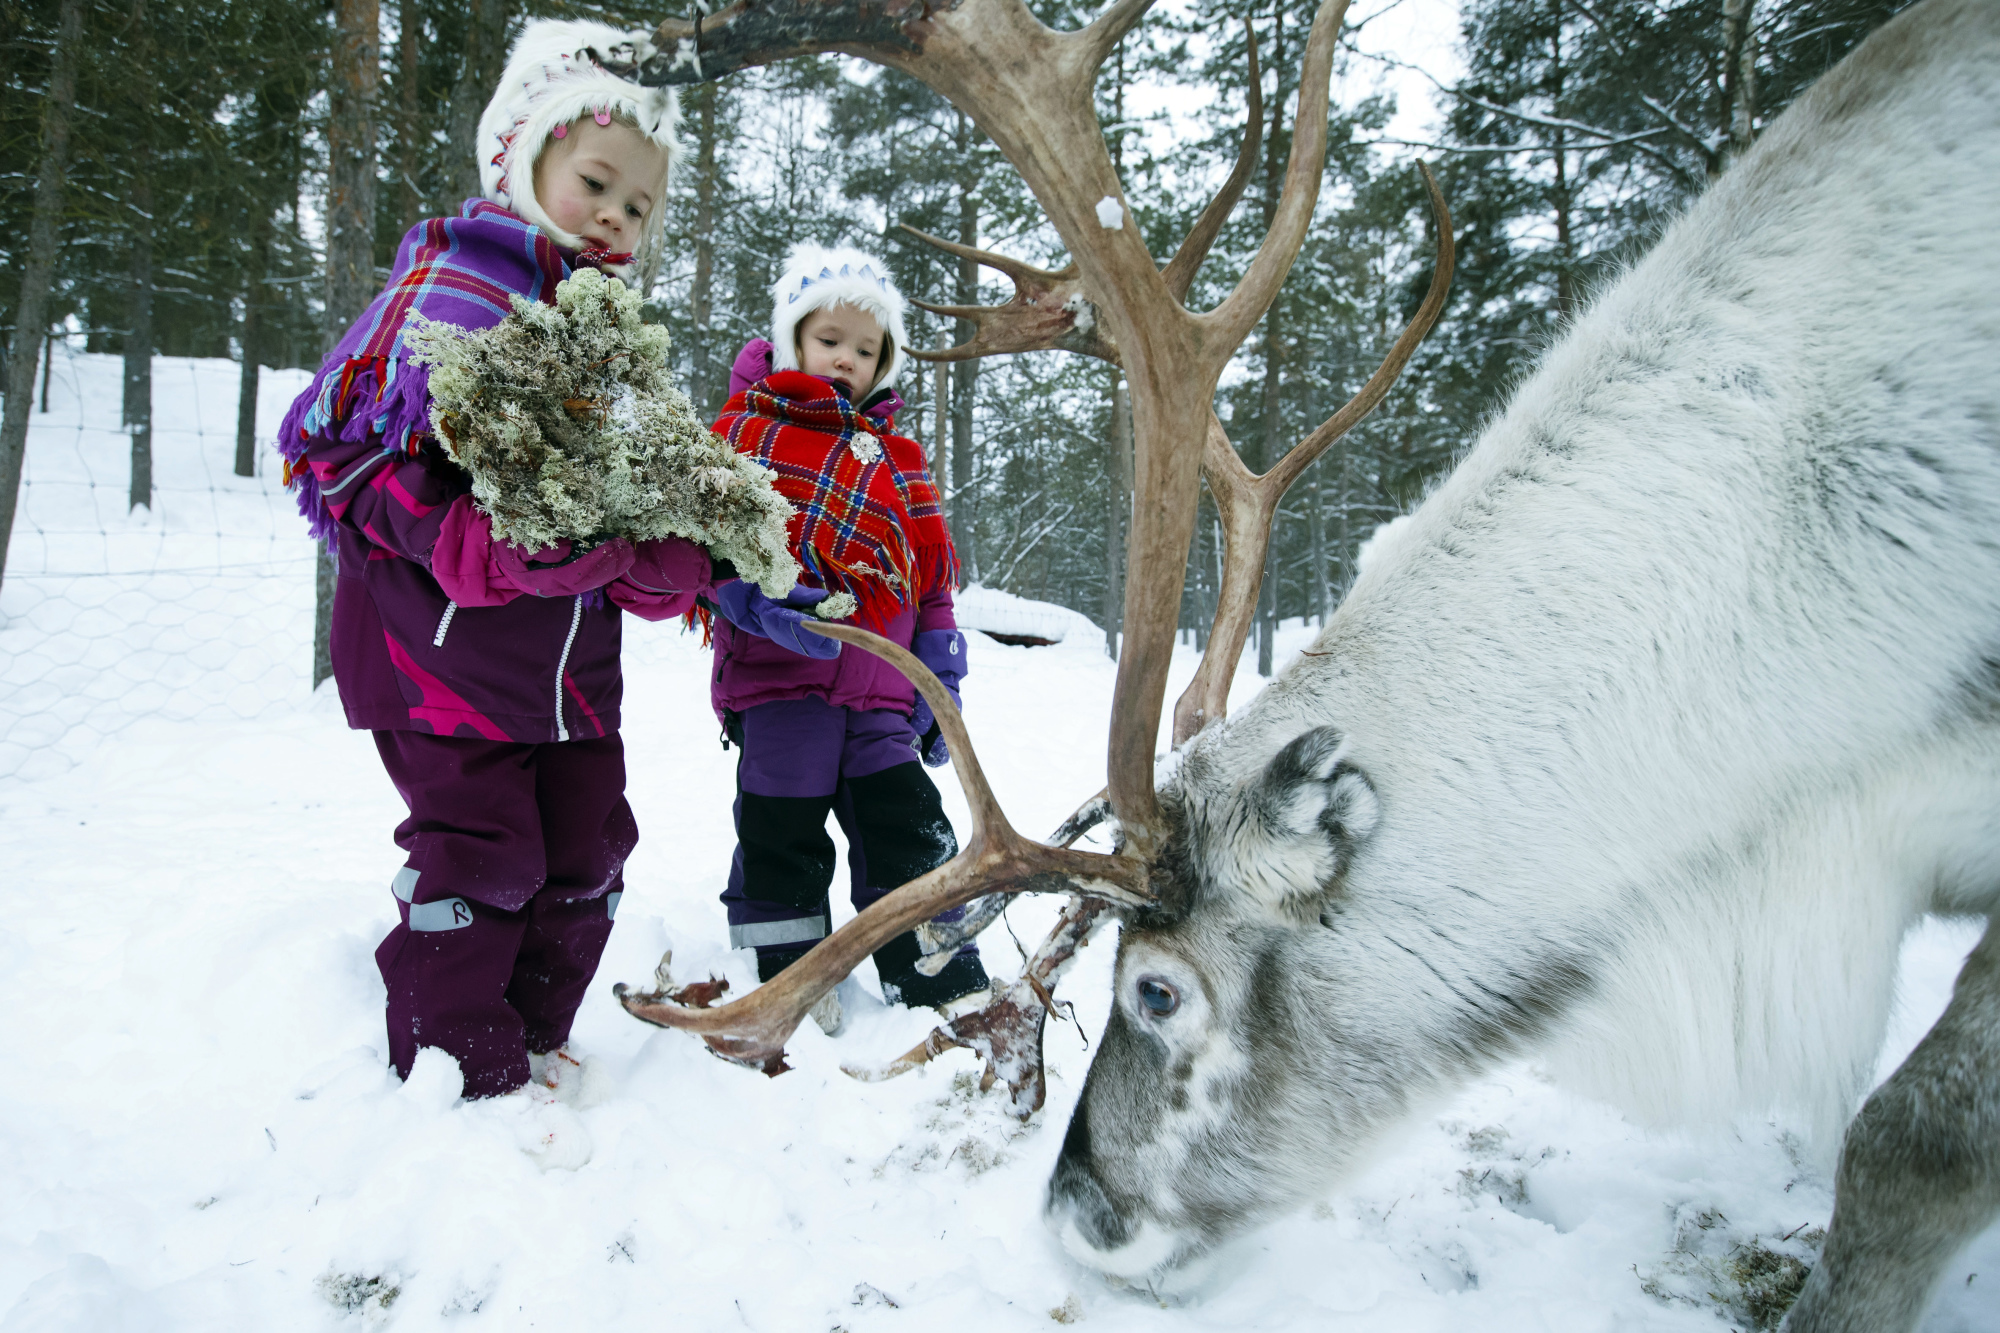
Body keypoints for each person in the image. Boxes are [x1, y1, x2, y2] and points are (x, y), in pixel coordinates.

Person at [276, 20, 708, 1101]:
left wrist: (659, 559)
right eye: (595, 182)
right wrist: (449, 531)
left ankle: (533, 1036)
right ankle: (455, 1071)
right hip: (438, 662)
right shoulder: (448, 295)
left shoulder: (612, 352)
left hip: (565, 676)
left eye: (637, 205)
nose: (613, 216)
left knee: (587, 845)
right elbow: (334, 454)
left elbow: (626, 508)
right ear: (522, 157)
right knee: (485, 855)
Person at [706, 244, 990, 1029]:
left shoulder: (898, 461)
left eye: (867, 350)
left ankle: (936, 968)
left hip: (882, 692)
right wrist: (750, 601)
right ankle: (789, 973)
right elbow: (705, 553)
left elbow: (930, 580)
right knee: (781, 831)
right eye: (830, 339)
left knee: (905, 826)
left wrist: (940, 673)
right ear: (793, 337)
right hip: (781, 681)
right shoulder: (743, 437)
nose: (847, 359)